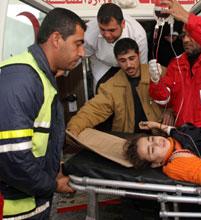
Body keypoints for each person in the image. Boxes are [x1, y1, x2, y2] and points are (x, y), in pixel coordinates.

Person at [0, 8, 86, 219]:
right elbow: (12, 157)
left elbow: (41, 142)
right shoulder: (22, 79)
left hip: (32, 203)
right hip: (13, 210)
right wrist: (52, 184)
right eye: (78, 43)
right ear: (56, 39)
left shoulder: (42, 77)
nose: (82, 52)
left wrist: (55, 171)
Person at [148, 0, 201, 127]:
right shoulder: (176, 64)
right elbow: (164, 101)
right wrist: (156, 82)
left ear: (200, 35)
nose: (186, 40)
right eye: (183, 35)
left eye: (191, 35)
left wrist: (187, 17)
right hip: (186, 137)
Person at [67, 38, 163, 136]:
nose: (128, 65)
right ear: (117, 61)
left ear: (139, 55)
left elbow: (177, 95)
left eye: (132, 58)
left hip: (160, 135)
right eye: (122, 60)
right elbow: (92, 110)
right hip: (128, 139)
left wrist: (170, 110)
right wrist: (73, 129)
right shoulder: (110, 86)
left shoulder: (158, 73)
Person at [84, 3, 148, 91]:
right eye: (102, 29)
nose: (107, 35)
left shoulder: (138, 35)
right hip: (102, 63)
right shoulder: (89, 33)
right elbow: (78, 56)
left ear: (123, 24)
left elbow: (142, 66)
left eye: (112, 30)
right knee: (102, 90)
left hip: (130, 64)